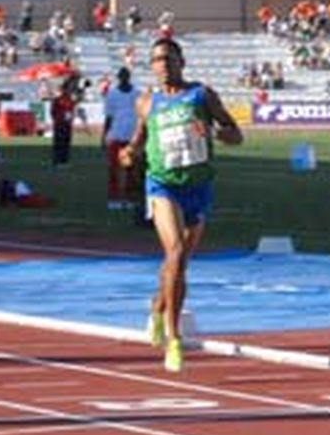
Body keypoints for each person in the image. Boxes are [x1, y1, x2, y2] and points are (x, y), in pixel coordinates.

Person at [122, 37, 244, 372]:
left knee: (180, 264)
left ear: (181, 61)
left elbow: (235, 132)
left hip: (198, 187)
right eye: (157, 60)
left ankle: (158, 304)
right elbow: (139, 136)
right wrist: (129, 152)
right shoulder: (147, 102)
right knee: (174, 252)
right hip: (162, 186)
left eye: (168, 58)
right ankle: (174, 340)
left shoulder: (201, 95)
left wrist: (221, 135)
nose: (162, 65)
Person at [102, 66, 138, 209]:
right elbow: (108, 117)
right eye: (121, 75)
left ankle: (130, 198)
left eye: (126, 75)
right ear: (119, 77)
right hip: (115, 136)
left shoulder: (137, 93)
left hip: (132, 136)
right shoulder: (111, 94)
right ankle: (114, 198)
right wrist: (104, 136)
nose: (124, 78)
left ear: (129, 77)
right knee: (114, 169)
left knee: (131, 169)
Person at [49, 77, 76, 168]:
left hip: (67, 123)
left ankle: (64, 160)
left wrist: (70, 117)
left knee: (66, 142)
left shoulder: (70, 99)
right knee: (59, 143)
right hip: (60, 123)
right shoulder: (57, 100)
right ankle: (57, 161)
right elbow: (53, 112)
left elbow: (72, 110)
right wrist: (58, 119)